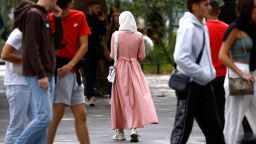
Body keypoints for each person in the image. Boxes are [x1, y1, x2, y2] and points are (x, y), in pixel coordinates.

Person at [171, 0, 226, 144]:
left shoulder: (202, 26)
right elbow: (180, 58)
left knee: (214, 129)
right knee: (182, 129)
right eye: (205, 4)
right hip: (190, 86)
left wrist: (209, 73)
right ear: (195, 6)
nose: (209, 7)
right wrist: (204, 74)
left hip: (204, 84)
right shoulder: (188, 27)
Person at [12, 0, 63, 143]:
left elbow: (57, 44)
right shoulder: (34, 15)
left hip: (49, 73)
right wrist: (41, 75)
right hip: (39, 74)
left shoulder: (43, 15)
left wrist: (58, 20)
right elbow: (30, 48)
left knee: (44, 119)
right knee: (44, 117)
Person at [110, 11, 158, 143]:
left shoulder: (116, 35)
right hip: (135, 69)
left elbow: (112, 55)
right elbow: (141, 56)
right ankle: (134, 129)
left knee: (119, 99)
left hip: (120, 69)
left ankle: (120, 133)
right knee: (135, 98)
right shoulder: (139, 36)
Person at [47, 0, 91, 143]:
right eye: (61, 8)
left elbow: (84, 46)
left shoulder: (79, 16)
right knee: (56, 115)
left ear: (72, 4)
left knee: (81, 115)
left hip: (73, 70)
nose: (63, 12)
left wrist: (71, 64)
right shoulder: (49, 18)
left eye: (65, 9)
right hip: (59, 71)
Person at [219, 0, 256, 143]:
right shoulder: (235, 28)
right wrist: (242, 74)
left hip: (251, 74)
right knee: (233, 120)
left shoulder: (251, 28)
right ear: (248, 9)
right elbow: (222, 55)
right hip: (240, 75)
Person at [1, 2, 36, 143]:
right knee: (17, 126)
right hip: (17, 84)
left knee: (38, 121)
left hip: (29, 83)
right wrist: (27, 59)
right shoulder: (18, 33)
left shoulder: (28, 32)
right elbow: (5, 54)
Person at [206, 0, 228, 129]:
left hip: (209, 75)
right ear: (219, 12)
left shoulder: (203, 29)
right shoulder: (227, 28)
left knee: (209, 108)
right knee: (222, 107)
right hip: (225, 74)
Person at [81, 1, 107, 106]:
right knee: (88, 73)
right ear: (90, 8)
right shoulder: (85, 18)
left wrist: (102, 21)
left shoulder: (97, 20)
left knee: (93, 72)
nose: (98, 10)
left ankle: (90, 95)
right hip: (86, 50)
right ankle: (89, 95)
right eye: (96, 8)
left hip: (95, 51)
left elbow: (103, 33)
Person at [103, 11, 120, 104]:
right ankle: (111, 96)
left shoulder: (124, 28)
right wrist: (107, 53)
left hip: (121, 57)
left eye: (118, 16)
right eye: (115, 16)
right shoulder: (110, 28)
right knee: (111, 77)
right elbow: (104, 42)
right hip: (111, 57)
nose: (117, 18)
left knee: (121, 78)